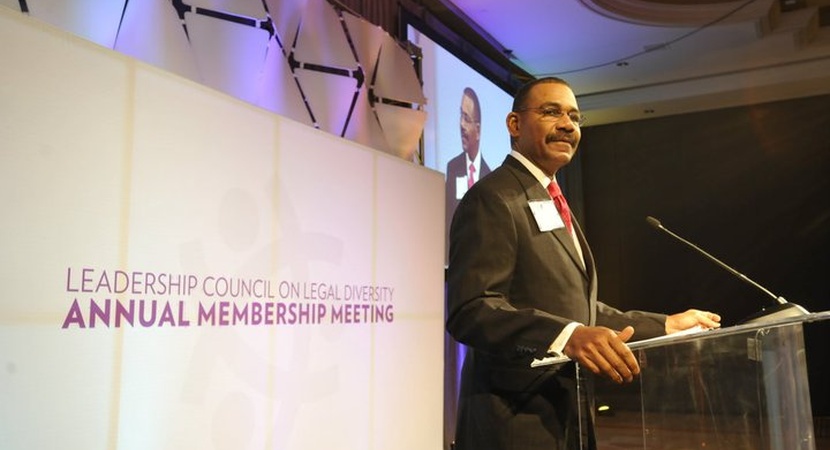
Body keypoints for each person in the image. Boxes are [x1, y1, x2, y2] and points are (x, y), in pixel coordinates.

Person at [445, 77, 721, 450]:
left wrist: (666, 325)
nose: (567, 125)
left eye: (574, 117)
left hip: (565, 416)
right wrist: (567, 336)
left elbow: (579, 310)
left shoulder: (549, 198)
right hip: (513, 424)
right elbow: (471, 309)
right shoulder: (494, 198)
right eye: (551, 112)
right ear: (514, 125)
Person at [445, 87, 491, 263]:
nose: (461, 125)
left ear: (478, 130)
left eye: (466, 118)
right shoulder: (452, 167)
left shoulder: (490, 176)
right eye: (460, 116)